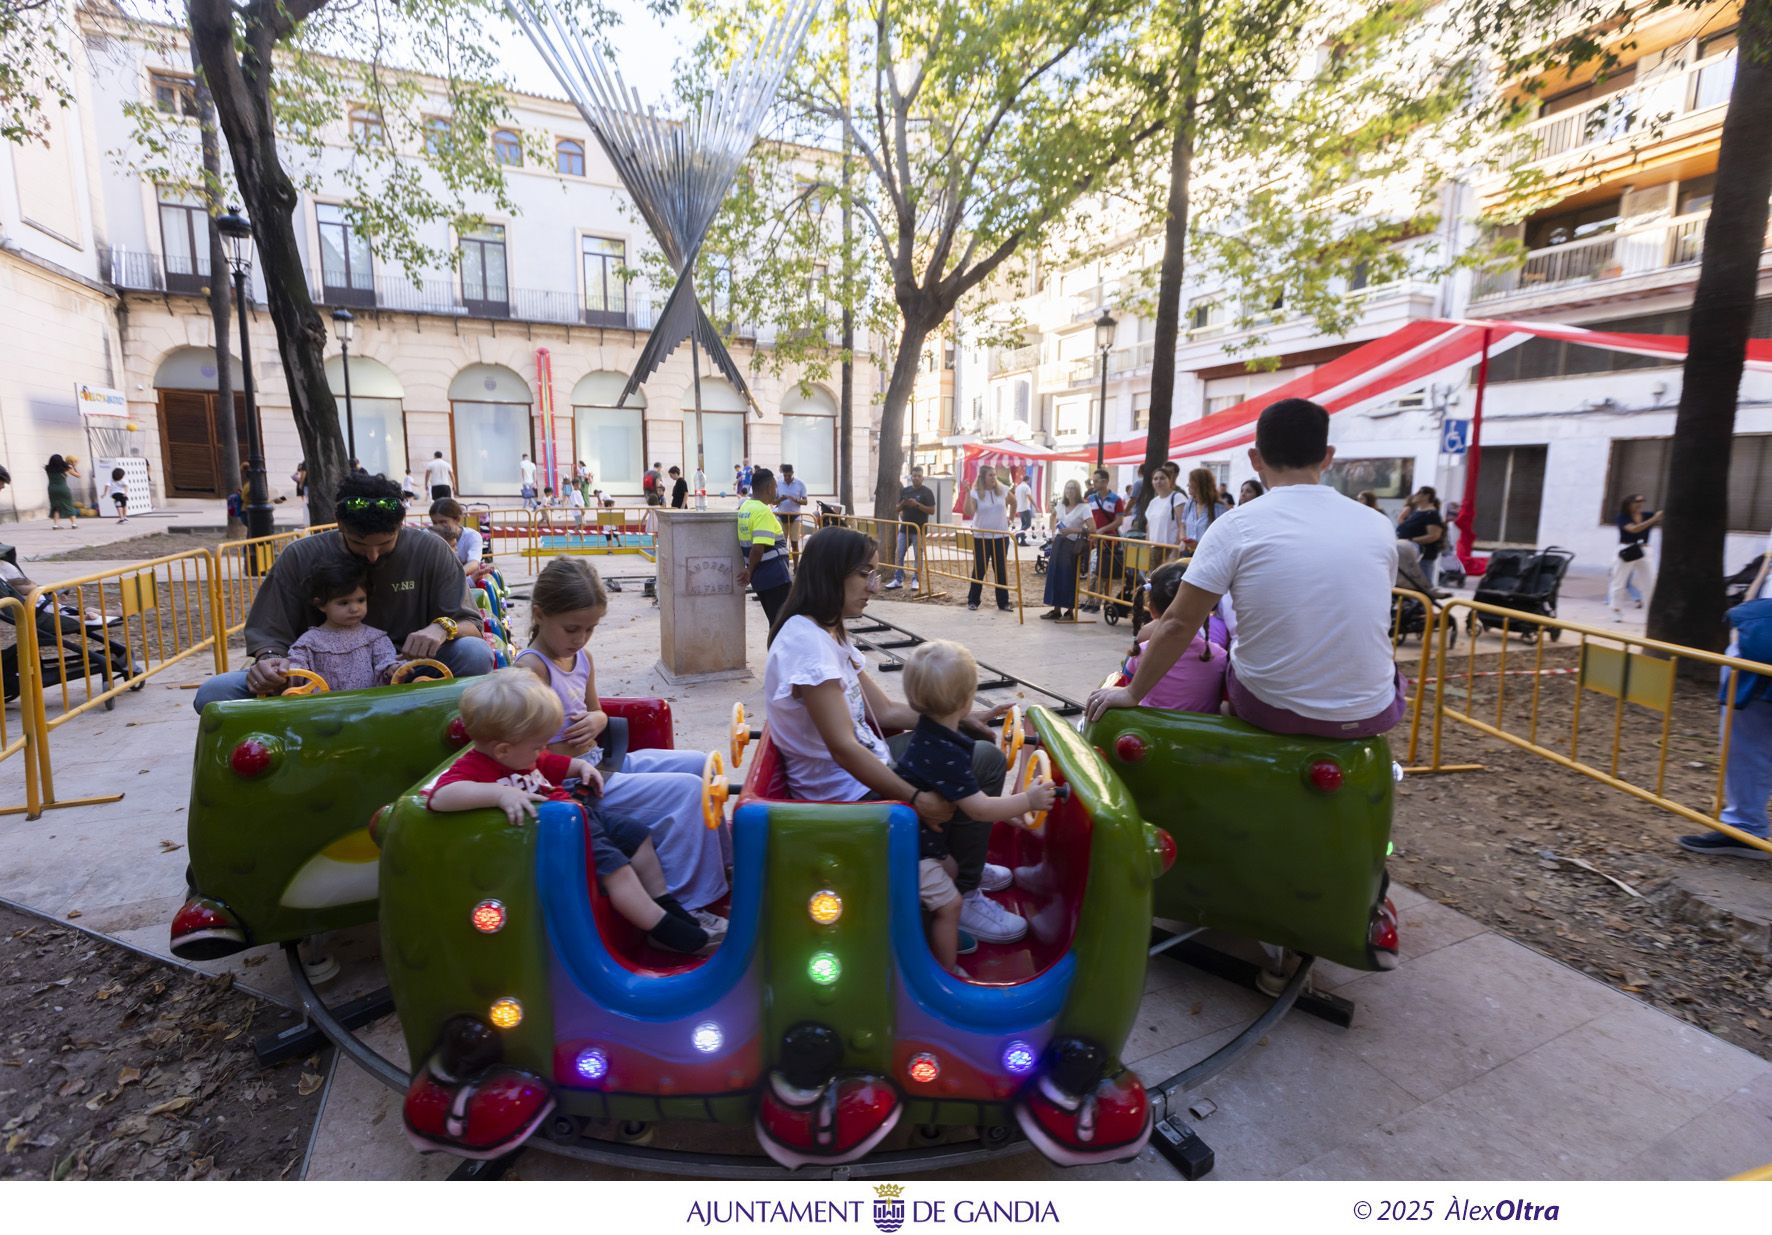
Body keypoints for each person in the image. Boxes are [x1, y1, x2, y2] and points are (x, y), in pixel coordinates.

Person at [763, 527, 1026, 944]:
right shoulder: (807, 646)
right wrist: (915, 798)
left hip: (867, 766)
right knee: (984, 761)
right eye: (865, 573)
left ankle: (954, 863)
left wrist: (958, 717)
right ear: (834, 574)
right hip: (844, 797)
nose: (875, 585)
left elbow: (883, 711)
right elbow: (845, 748)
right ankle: (964, 891)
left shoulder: (828, 631)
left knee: (965, 746)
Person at [1086, 398, 1405, 738]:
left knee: (1232, 666)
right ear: (1328, 456)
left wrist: (1133, 692)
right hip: (1372, 711)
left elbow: (1178, 622)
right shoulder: (1379, 525)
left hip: (1271, 709)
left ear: (1255, 459)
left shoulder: (1236, 525)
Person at [427, 670, 714, 954]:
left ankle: (666, 903)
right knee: (618, 872)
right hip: (562, 833)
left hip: (580, 815)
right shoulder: (476, 767)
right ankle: (662, 931)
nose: (542, 751)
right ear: (502, 750)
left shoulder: (520, 755)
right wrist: (501, 794)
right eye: (537, 745)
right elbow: (441, 797)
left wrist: (582, 767)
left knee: (638, 837)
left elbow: (552, 762)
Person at [517, 558, 730, 922]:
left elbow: (596, 710)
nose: (580, 639)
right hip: (574, 783)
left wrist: (599, 718)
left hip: (602, 760)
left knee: (703, 765)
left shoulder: (581, 658)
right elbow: (523, 753)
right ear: (539, 614)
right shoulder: (530, 670)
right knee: (687, 791)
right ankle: (688, 902)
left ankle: (725, 868)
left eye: (590, 629)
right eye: (572, 629)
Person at [193, 474, 492, 710]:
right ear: (339, 525)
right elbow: (270, 633)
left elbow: (471, 625)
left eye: (385, 545)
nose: (373, 556)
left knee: (474, 653)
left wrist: (440, 628)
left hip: (403, 670)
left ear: (401, 525)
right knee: (213, 694)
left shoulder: (430, 549)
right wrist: (270, 660)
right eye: (360, 545)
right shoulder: (301, 556)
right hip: (316, 678)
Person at [897, 640, 1057, 970]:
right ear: (967, 700)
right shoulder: (949, 754)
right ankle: (944, 970)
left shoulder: (929, 733)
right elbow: (980, 810)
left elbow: (970, 799)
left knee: (953, 869)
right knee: (951, 903)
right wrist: (1028, 799)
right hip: (911, 849)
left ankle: (923, 917)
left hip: (916, 835)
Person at [1679, 546, 1772, 860]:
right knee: (1745, 734)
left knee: (1747, 735)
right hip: (1760, 631)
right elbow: (1768, 562)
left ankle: (1745, 824)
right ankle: (1744, 826)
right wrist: (1747, 615)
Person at [1121, 559, 1228, 713]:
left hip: (1150, 731)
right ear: (1203, 607)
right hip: (1203, 734)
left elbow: (1125, 685)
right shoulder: (1220, 657)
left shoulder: (1140, 653)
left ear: (1151, 608)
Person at [286, 557, 401, 691]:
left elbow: (386, 661)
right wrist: (286, 674)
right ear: (321, 604)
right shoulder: (310, 641)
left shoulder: (374, 638)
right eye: (344, 603)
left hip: (367, 707)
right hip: (324, 708)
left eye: (360, 600)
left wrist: (393, 669)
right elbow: (296, 668)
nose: (355, 608)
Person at [737, 467, 793, 626]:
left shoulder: (746, 508)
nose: (776, 490)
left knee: (775, 622)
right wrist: (749, 570)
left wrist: (750, 570)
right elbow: (758, 547)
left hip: (761, 578)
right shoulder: (763, 511)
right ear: (769, 488)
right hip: (774, 575)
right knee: (783, 624)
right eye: (775, 486)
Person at [1040, 479, 1092, 620]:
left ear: (1078, 490)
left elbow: (1093, 529)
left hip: (1072, 544)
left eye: (1073, 488)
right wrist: (1052, 533)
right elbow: (1053, 516)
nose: (1070, 491)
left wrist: (1072, 530)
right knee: (1054, 574)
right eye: (1068, 488)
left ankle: (1069, 610)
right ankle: (1056, 608)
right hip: (1059, 541)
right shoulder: (1061, 505)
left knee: (1068, 576)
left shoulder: (1084, 507)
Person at [964, 464, 1013, 613]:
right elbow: (969, 511)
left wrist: (1010, 517)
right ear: (983, 477)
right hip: (982, 537)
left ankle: (1003, 602)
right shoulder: (975, 493)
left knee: (1000, 570)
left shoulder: (1002, 489)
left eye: (994, 475)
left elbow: (1014, 501)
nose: (993, 477)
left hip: (1001, 536)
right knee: (979, 568)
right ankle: (973, 600)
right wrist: (967, 493)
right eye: (990, 475)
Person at [1610, 494, 1663, 620]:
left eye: (1642, 501)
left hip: (1644, 549)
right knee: (1619, 582)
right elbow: (1633, 529)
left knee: (1650, 582)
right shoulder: (1623, 517)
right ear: (1629, 503)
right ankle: (1616, 611)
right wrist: (1653, 520)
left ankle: (1650, 614)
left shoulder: (1646, 515)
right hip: (1627, 549)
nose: (1640, 504)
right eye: (1637, 501)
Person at [1081, 468, 1124, 613]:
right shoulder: (1091, 499)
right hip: (1094, 539)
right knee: (1093, 569)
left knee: (1103, 571)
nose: (1093, 483)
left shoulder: (1116, 499)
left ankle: (1098, 600)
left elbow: (1119, 521)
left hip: (1109, 540)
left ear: (1105, 481)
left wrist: (1103, 529)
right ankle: (1091, 598)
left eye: (1096, 480)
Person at [887, 466, 935, 592]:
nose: (916, 478)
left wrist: (917, 505)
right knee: (899, 553)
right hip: (904, 529)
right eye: (914, 476)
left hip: (918, 530)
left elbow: (932, 510)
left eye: (919, 476)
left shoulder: (927, 492)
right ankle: (898, 579)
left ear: (923, 478)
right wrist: (904, 503)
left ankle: (916, 580)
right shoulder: (906, 490)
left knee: (918, 556)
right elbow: (897, 509)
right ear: (911, 477)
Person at [429, 498, 492, 583]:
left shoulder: (472, 536)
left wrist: (454, 577)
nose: (438, 526)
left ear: (457, 519)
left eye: (443, 522)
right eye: (434, 523)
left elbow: (474, 563)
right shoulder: (429, 536)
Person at [1396, 492, 1446, 588]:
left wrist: (1411, 540)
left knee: (1424, 580)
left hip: (1424, 553)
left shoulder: (1431, 514)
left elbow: (1434, 535)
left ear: (1426, 496)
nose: (1415, 496)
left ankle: (1425, 598)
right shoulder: (1418, 512)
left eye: (1418, 493)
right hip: (1413, 552)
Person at [1143, 465, 1184, 562]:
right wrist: (1147, 545)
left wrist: (1175, 550)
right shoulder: (1153, 502)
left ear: (1169, 480)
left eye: (1162, 478)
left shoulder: (1178, 498)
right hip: (1154, 548)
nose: (1158, 481)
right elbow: (1149, 526)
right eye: (1155, 479)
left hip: (1169, 548)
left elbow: (1181, 524)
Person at [1179, 467, 1227, 551]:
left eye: (1190, 482)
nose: (1187, 485)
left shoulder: (1219, 508)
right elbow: (1182, 525)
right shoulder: (1189, 503)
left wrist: (1199, 545)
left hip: (1207, 554)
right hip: (1188, 553)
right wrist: (1183, 540)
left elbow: (1222, 536)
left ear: (1199, 484)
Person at [775, 464, 809, 557]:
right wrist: (780, 499)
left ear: (793, 473)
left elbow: (805, 501)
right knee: (782, 544)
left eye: (789, 475)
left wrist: (796, 500)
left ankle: (796, 567)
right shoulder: (778, 483)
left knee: (794, 543)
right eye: (785, 475)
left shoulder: (800, 483)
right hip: (781, 515)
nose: (787, 478)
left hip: (795, 516)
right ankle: (783, 565)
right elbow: (773, 501)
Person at [45, 454, 79, 530]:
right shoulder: (66, 468)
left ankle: (56, 525)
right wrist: (73, 466)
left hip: (52, 489)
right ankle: (73, 524)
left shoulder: (47, 469)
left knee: (56, 507)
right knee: (68, 505)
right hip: (63, 489)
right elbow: (78, 475)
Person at [1012, 472, 1036, 544]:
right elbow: (1029, 497)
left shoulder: (1018, 487)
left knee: (1023, 525)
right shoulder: (1026, 487)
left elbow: (1015, 497)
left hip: (1019, 508)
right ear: (1028, 480)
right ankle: (1017, 535)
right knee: (1028, 524)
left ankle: (1022, 541)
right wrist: (1036, 506)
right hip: (1025, 508)